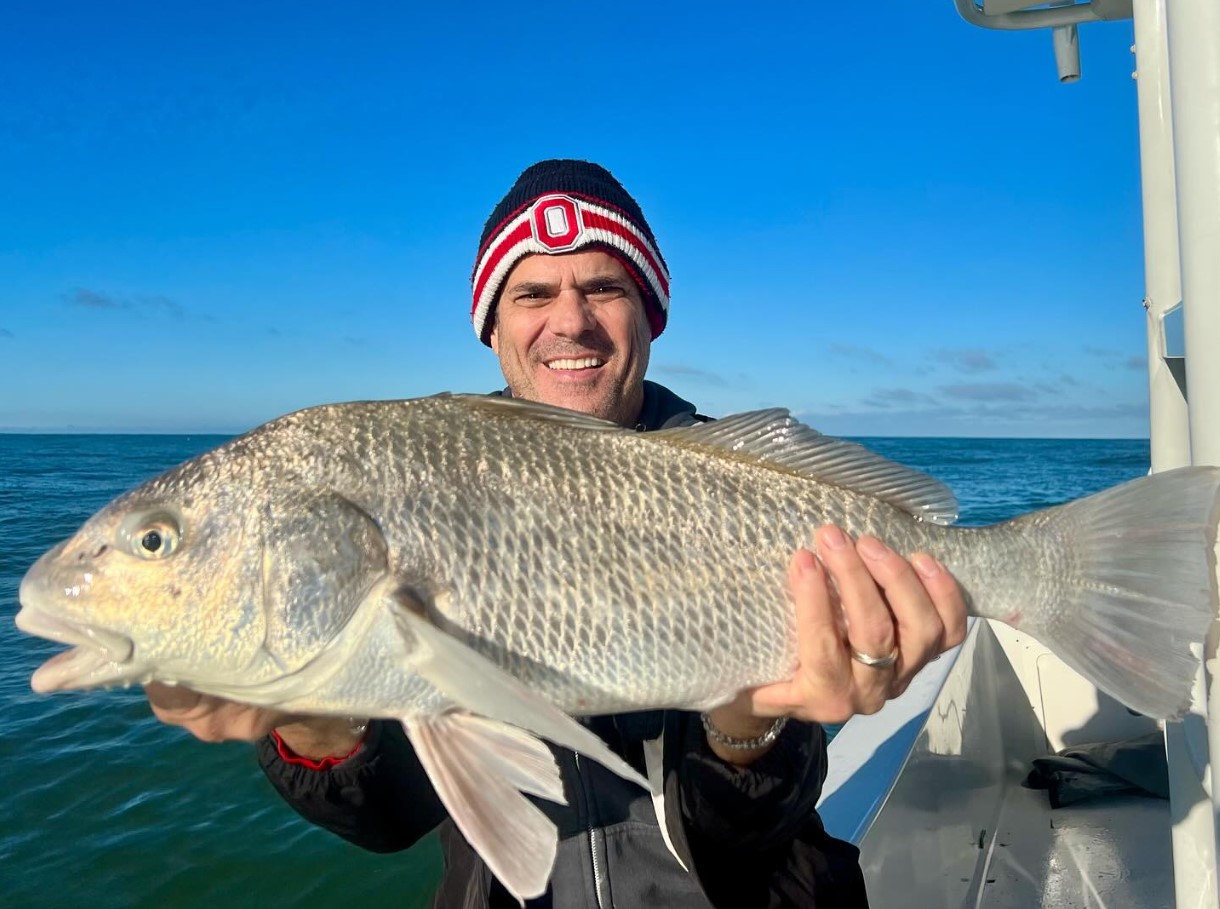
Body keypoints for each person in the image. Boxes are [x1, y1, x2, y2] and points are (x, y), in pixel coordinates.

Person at [146, 159, 968, 906]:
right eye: (532, 294)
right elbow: (388, 819)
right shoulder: (421, 481)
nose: (568, 321)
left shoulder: (749, 488)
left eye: (602, 288)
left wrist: (743, 727)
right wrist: (317, 723)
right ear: (493, 328)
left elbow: (749, 843)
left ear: (649, 314)